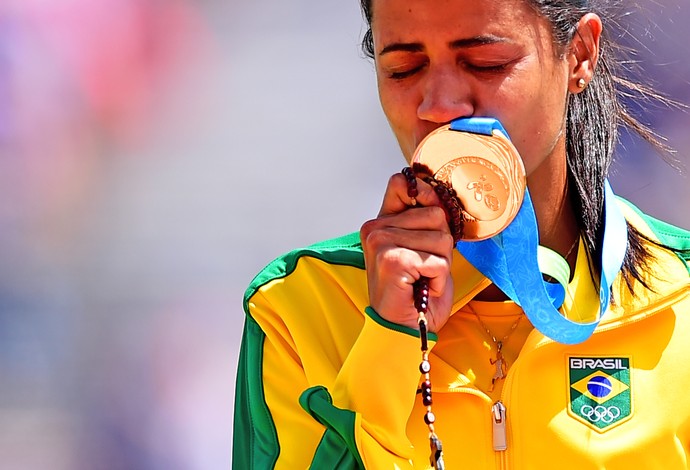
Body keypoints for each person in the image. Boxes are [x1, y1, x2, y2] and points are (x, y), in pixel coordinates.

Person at [233, 0, 690, 468]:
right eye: (404, 68)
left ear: (579, 55)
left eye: (484, 63)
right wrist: (388, 339)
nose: (440, 106)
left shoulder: (681, 298)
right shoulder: (299, 306)